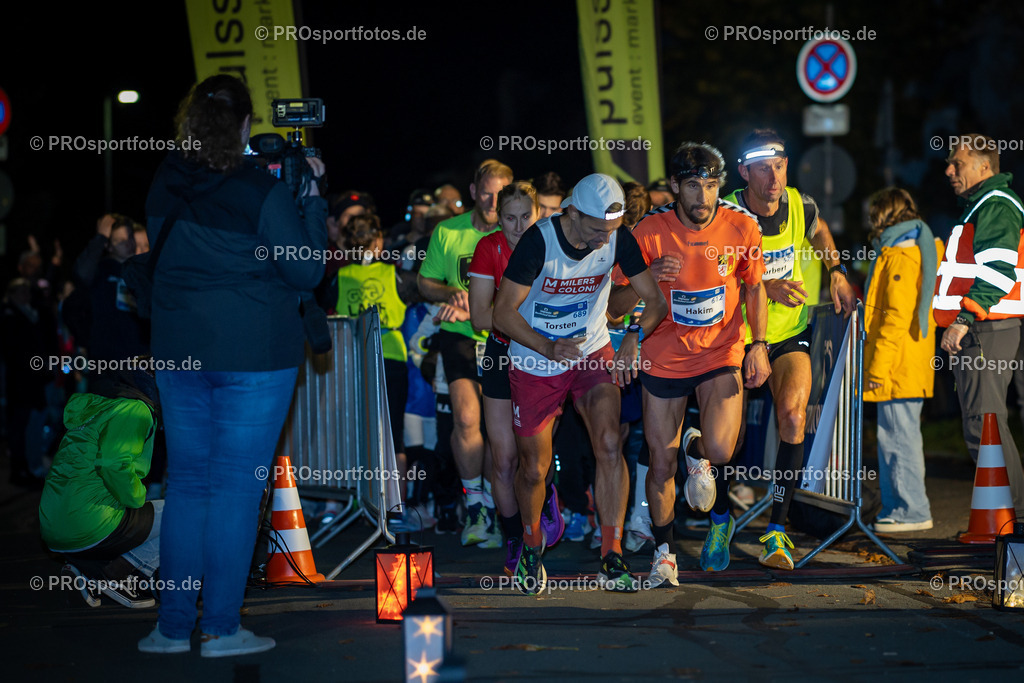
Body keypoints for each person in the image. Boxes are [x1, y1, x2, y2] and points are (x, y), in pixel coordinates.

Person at [137, 74, 326, 657]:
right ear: (245, 126)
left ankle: (171, 629)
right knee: (237, 490)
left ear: (189, 122)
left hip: (179, 351)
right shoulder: (257, 190)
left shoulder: (164, 181)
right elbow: (305, 271)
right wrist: (314, 201)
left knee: (189, 483)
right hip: (253, 354)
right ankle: (220, 628)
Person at [493, 173, 668, 594]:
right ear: (572, 212)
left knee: (609, 444)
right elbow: (501, 314)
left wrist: (632, 335)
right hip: (536, 355)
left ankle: (612, 554)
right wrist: (547, 346)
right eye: (595, 231)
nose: (602, 241)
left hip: (591, 348)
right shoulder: (540, 241)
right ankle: (532, 548)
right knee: (534, 468)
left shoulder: (617, 236)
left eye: (609, 231)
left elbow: (656, 301)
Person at [609, 142, 770, 584]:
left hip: (721, 351)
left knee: (721, 450)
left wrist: (759, 344)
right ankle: (664, 552)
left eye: (713, 185)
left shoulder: (741, 227)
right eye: (694, 186)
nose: (704, 196)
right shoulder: (646, 232)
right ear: (676, 187)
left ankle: (697, 449)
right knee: (660, 464)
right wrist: (649, 277)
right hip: (664, 357)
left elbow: (754, 288)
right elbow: (614, 307)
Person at [713, 129, 856, 571]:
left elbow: (821, 230)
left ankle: (777, 527)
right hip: (735, 337)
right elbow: (710, 273)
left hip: (787, 333)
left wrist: (835, 270)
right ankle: (721, 519)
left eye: (779, 166)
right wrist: (763, 285)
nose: (773, 178)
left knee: (793, 416)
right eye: (762, 169)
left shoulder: (800, 204)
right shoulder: (726, 212)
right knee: (726, 441)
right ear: (743, 172)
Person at [418, 159, 513, 549]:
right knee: (466, 417)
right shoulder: (448, 231)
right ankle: (474, 508)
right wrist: (451, 294)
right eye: (486, 192)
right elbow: (425, 283)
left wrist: (483, 309)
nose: (492, 201)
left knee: (498, 429)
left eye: (500, 194)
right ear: (474, 192)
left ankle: (495, 504)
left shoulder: (518, 230)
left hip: (503, 339)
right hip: (459, 335)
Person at [935, 134, 1024, 517]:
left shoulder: (995, 204)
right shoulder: (983, 205)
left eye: (958, 163)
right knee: (985, 425)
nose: (949, 169)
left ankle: (1010, 525)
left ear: (984, 166)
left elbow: (998, 271)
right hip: (987, 328)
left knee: (984, 426)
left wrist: (963, 320)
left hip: (985, 328)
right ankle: (1003, 525)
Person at [468, 181, 544, 576]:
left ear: (538, 215)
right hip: (501, 354)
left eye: (525, 218)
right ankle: (514, 535)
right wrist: (514, 312)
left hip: (545, 357)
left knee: (536, 456)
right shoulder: (488, 248)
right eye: (509, 218)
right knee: (503, 458)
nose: (517, 227)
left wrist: (508, 309)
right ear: (498, 217)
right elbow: (481, 318)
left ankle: (544, 504)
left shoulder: (549, 243)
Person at [39, 367, 162, 609]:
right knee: (187, 515)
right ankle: (118, 574)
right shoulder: (135, 409)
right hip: (89, 525)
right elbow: (113, 464)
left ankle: (86, 569)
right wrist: (138, 499)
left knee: (140, 515)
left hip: (55, 527)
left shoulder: (100, 409)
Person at [863, 188, 942, 532]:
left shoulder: (900, 256)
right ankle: (900, 507)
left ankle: (911, 510)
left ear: (883, 216)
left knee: (898, 438)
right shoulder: (916, 250)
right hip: (908, 360)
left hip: (896, 364)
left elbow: (895, 318)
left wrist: (877, 369)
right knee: (897, 435)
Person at [336, 213, 409, 506]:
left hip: (364, 359)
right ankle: (395, 506)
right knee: (393, 434)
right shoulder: (393, 272)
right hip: (382, 357)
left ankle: (369, 502)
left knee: (364, 432)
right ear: (378, 241)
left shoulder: (341, 276)